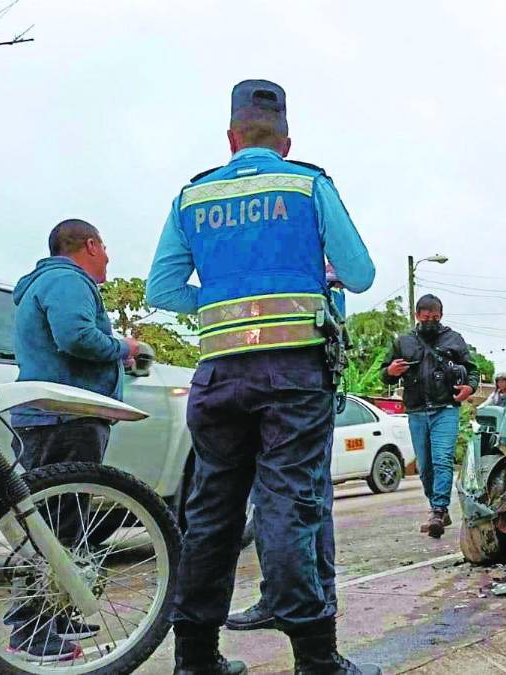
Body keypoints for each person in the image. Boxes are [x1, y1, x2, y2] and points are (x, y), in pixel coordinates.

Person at [146, 79, 377, 675]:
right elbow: (360, 273)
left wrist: (222, 298)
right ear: (286, 140)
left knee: (210, 514)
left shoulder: (191, 198)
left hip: (219, 375)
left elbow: (163, 290)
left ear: (230, 138)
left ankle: (195, 659)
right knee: (289, 504)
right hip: (294, 373)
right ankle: (317, 660)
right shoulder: (306, 183)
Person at [5, 219, 140, 661]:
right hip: (66, 417)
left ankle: (55, 614)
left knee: (54, 522)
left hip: (48, 419)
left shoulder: (40, 284)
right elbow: (77, 337)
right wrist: (125, 348)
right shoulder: (67, 280)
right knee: (55, 526)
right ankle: (32, 630)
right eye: (105, 248)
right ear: (91, 244)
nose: (108, 258)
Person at [226, 263, 345, 634]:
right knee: (292, 500)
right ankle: (299, 597)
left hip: (296, 390)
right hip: (290, 388)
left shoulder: (307, 273)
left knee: (295, 500)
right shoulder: (310, 273)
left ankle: (302, 599)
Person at [381, 294, 479, 538]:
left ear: (441, 315)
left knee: (442, 459)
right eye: (426, 318)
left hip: (445, 408)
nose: (430, 322)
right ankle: (436, 507)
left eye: (435, 317)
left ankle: (438, 509)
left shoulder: (453, 339)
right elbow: (384, 374)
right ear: (417, 316)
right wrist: (391, 371)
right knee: (425, 467)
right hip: (416, 411)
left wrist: (470, 387)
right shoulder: (403, 342)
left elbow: (473, 370)